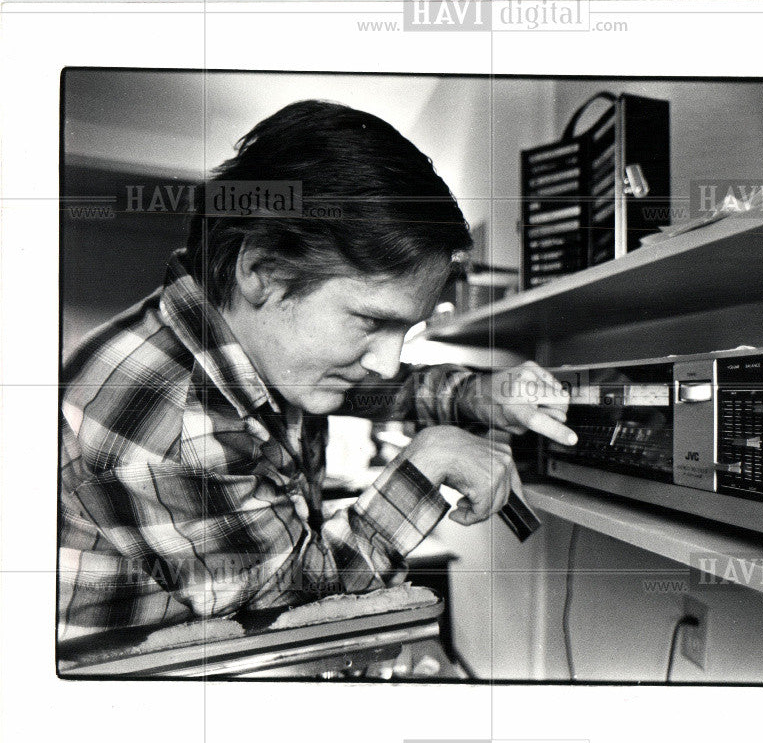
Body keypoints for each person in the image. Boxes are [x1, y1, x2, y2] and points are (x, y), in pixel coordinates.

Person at [58, 100, 576, 643]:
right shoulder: (175, 418)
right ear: (263, 270)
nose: (386, 359)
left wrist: (480, 396)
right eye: (372, 320)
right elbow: (295, 609)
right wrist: (430, 461)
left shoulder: (258, 350)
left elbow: (383, 388)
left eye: (406, 331)